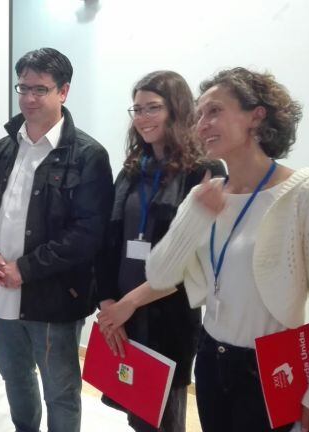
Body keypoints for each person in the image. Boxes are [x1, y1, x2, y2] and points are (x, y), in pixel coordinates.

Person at [139, 68, 309, 432]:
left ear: (257, 115)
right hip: (210, 358)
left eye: (215, 111)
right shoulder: (205, 195)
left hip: (271, 368)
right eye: (200, 114)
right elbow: (159, 274)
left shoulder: (308, 196)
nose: (202, 124)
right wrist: (196, 217)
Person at [0, 47, 114, 432]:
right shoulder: (5, 148)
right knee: (15, 379)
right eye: (23, 88)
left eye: (41, 89)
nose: (29, 98)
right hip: (2, 291)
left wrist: (26, 269)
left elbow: (88, 234)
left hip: (54, 297)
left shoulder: (88, 155)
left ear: (63, 91)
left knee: (60, 391)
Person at [95, 70, 225, 432]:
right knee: (136, 411)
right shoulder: (132, 170)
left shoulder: (205, 172)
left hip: (168, 315)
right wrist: (108, 305)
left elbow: (193, 258)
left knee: (163, 419)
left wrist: (128, 304)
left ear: (177, 110)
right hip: (123, 314)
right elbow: (109, 242)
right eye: (137, 109)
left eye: (153, 107)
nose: (142, 118)